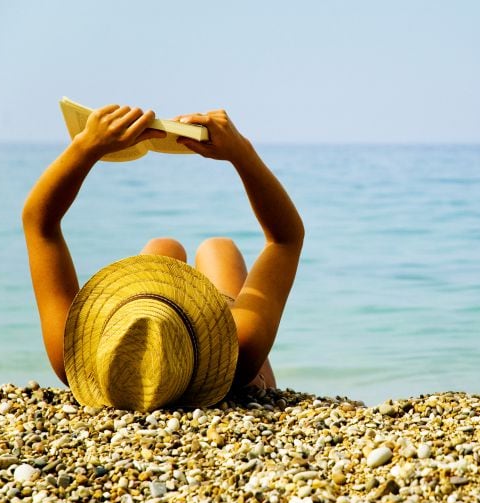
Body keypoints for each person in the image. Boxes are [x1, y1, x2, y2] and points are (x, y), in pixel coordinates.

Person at [22, 104, 304, 410]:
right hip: (236, 374)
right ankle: (192, 296)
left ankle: (154, 297)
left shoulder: (72, 358)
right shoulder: (240, 351)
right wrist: (241, 153)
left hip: (171, 349)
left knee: (163, 245)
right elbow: (284, 239)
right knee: (218, 248)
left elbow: (39, 224)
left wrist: (85, 145)